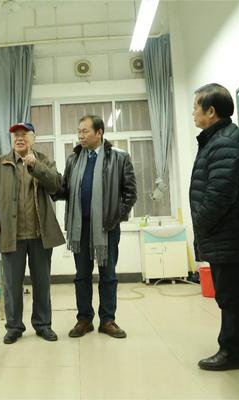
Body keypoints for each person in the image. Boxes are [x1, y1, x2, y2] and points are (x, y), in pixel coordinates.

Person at [189, 84, 239, 371]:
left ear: (211, 111)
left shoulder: (224, 142)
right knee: (236, 293)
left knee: (231, 296)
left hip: (227, 234)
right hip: (227, 233)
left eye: (196, 107)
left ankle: (233, 352)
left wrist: (200, 222)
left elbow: (219, 195)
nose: (193, 113)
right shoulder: (218, 139)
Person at [0, 122, 65, 344]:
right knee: (11, 286)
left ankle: (43, 325)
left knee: (42, 284)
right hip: (11, 236)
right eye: (15, 135)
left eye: (24, 134)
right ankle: (14, 327)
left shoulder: (44, 160)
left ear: (33, 139)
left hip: (40, 235)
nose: (19, 138)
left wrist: (36, 165)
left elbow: (57, 185)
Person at [55, 115, 136, 339]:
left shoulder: (119, 157)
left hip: (106, 228)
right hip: (80, 227)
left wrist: (114, 217)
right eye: (79, 131)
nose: (80, 135)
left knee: (108, 275)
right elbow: (64, 190)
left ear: (99, 133)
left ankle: (107, 320)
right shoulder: (74, 159)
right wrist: (48, 181)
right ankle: (84, 320)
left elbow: (130, 194)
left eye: (85, 131)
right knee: (82, 276)